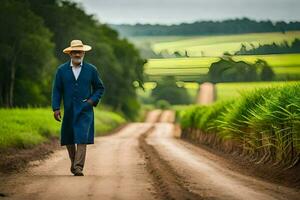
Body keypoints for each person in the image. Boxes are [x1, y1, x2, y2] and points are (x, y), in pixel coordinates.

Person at [51, 40, 105, 176]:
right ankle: (74, 164)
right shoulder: (61, 70)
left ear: (83, 53)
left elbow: (99, 88)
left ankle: (78, 167)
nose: (77, 54)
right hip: (68, 110)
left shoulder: (91, 69)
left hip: (85, 110)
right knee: (69, 138)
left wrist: (91, 101)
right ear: (70, 53)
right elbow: (57, 90)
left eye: (79, 52)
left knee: (82, 137)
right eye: (74, 52)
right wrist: (56, 108)